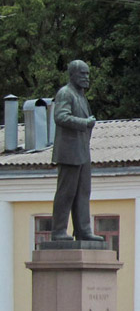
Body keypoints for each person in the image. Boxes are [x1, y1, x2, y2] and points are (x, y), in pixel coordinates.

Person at [50, 60, 101, 242]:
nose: (86, 78)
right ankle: (58, 231)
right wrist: (84, 123)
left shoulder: (81, 96)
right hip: (69, 152)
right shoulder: (65, 93)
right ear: (72, 75)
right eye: (82, 74)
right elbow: (60, 116)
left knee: (83, 192)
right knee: (66, 192)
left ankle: (83, 230)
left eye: (88, 74)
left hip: (82, 151)